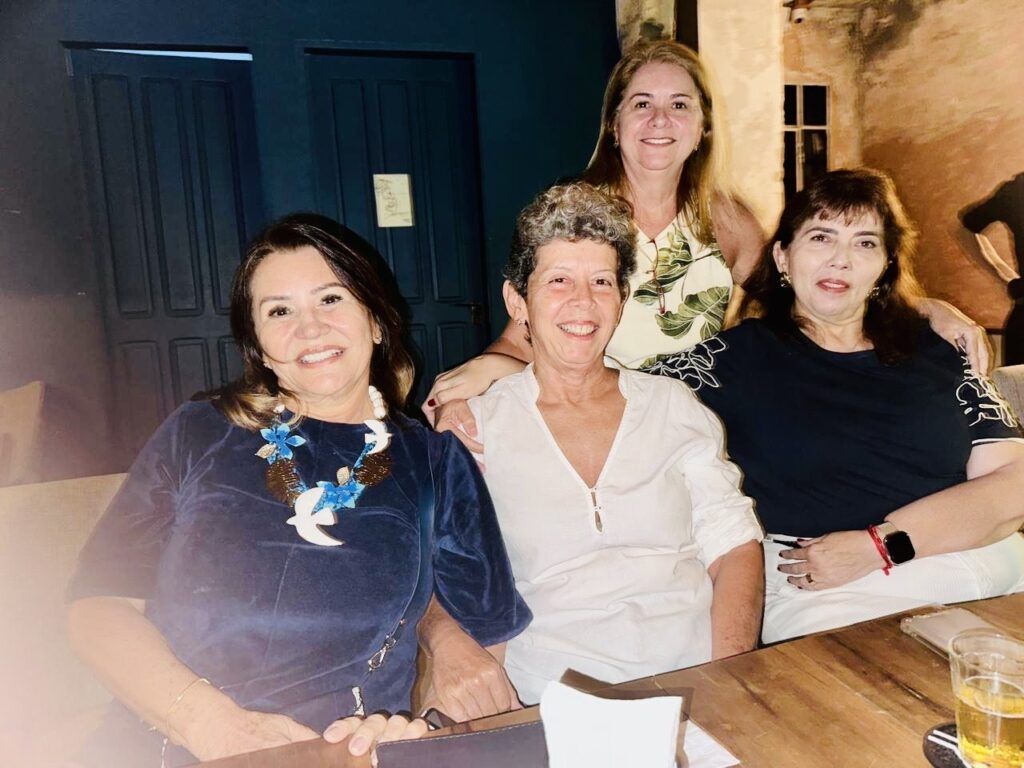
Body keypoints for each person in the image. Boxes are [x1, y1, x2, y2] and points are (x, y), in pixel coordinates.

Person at [66, 214, 530, 766]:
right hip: (171, 744)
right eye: (279, 311)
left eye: (331, 299)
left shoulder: (434, 462)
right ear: (259, 347)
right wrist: (209, 723)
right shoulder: (199, 433)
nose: (309, 329)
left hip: (343, 751)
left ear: (376, 321)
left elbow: (482, 639)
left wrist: (423, 726)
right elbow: (97, 607)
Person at [424, 39, 989, 441]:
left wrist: (925, 308)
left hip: (695, 424)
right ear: (615, 125)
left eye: (679, 105)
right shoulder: (575, 215)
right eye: (641, 104)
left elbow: (809, 296)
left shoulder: (727, 220)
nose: (660, 120)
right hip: (590, 419)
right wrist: (486, 369)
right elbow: (525, 334)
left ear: (702, 127)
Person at [644, 169, 1024, 643]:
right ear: (782, 256)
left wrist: (879, 546)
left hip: (980, 566)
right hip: (828, 591)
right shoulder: (726, 363)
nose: (841, 259)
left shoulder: (940, 348)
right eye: (821, 237)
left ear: (885, 265)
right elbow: (613, 404)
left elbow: (1012, 484)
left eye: (865, 243)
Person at [468, 182, 764, 703]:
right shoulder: (479, 426)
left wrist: (728, 678)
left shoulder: (672, 406)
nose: (583, 302)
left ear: (622, 300)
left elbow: (735, 546)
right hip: (551, 694)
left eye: (602, 282)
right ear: (518, 301)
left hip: (691, 682)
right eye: (558, 280)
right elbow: (466, 578)